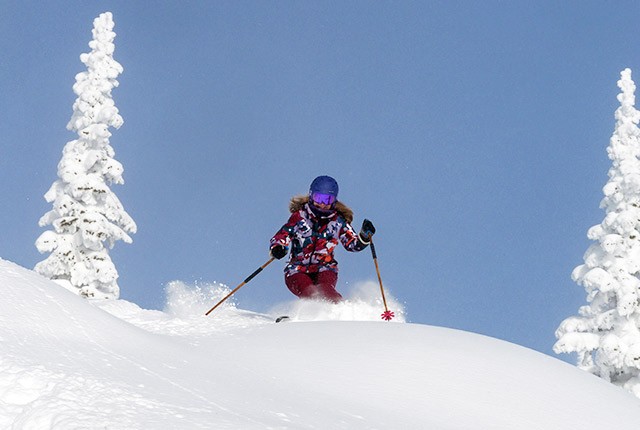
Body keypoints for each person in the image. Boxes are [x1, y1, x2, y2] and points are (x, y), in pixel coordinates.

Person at [269, 175, 375, 302]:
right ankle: (311, 316)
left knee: (327, 291)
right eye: (319, 198)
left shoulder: (338, 221)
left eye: (328, 200)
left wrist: (364, 236)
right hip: (297, 270)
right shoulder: (300, 217)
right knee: (309, 292)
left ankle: (341, 312)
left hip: (325, 268)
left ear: (334, 201)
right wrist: (278, 247)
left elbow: (352, 245)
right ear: (311, 196)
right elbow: (283, 235)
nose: (323, 204)